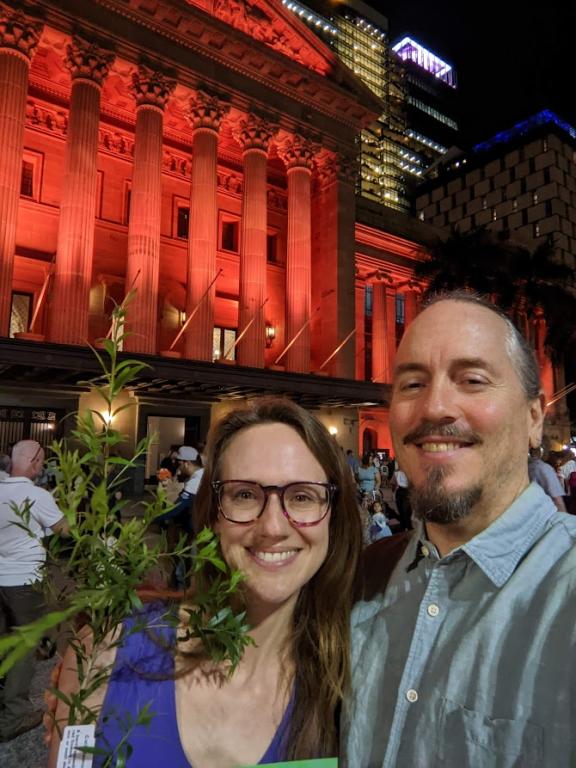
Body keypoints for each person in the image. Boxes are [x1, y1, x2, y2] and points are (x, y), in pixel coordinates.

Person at [49, 398, 361, 767]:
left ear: (334, 520)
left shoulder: (352, 679)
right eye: (244, 494)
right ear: (212, 514)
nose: (273, 527)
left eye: (302, 496)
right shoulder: (106, 654)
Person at [344, 291, 576, 767]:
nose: (435, 408)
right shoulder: (360, 581)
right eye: (411, 384)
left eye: (472, 380)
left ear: (535, 416)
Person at [0, 440, 69, 743]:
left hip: (1, 580)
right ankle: (13, 716)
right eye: (41, 461)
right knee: (24, 646)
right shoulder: (36, 494)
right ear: (36, 462)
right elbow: (65, 531)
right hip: (25, 582)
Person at [154, 445, 204, 535]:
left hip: (195, 528)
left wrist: (155, 518)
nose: (179, 468)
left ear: (187, 464)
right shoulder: (203, 474)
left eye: (180, 464)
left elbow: (177, 508)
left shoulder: (195, 482)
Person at [528, 446, 566, 511]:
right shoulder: (544, 468)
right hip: (545, 511)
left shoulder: (526, 466)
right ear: (541, 451)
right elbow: (557, 500)